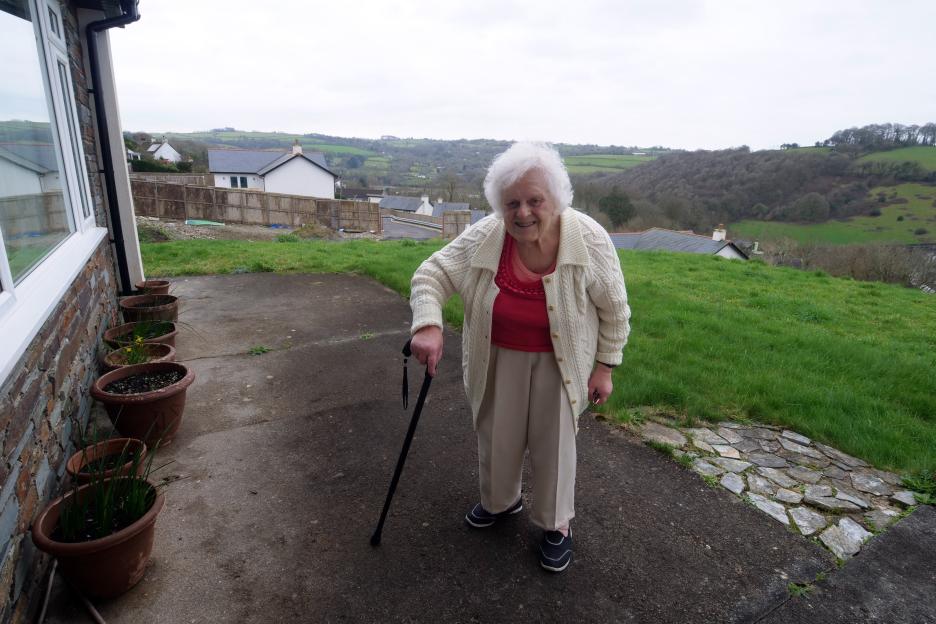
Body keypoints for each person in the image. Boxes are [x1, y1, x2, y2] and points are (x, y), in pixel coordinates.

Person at [409, 141, 630, 572]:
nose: (523, 213)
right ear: (499, 206)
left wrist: (605, 366)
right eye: (512, 203)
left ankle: (556, 524)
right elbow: (431, 274)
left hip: (561, 362)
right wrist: (428, 324)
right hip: (497, 357)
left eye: (535, 200)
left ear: (556, 198)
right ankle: (500, 502)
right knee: (497, 436)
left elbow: (615, 310)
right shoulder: (487, 236)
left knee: (555, 447)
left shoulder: (587, 238)